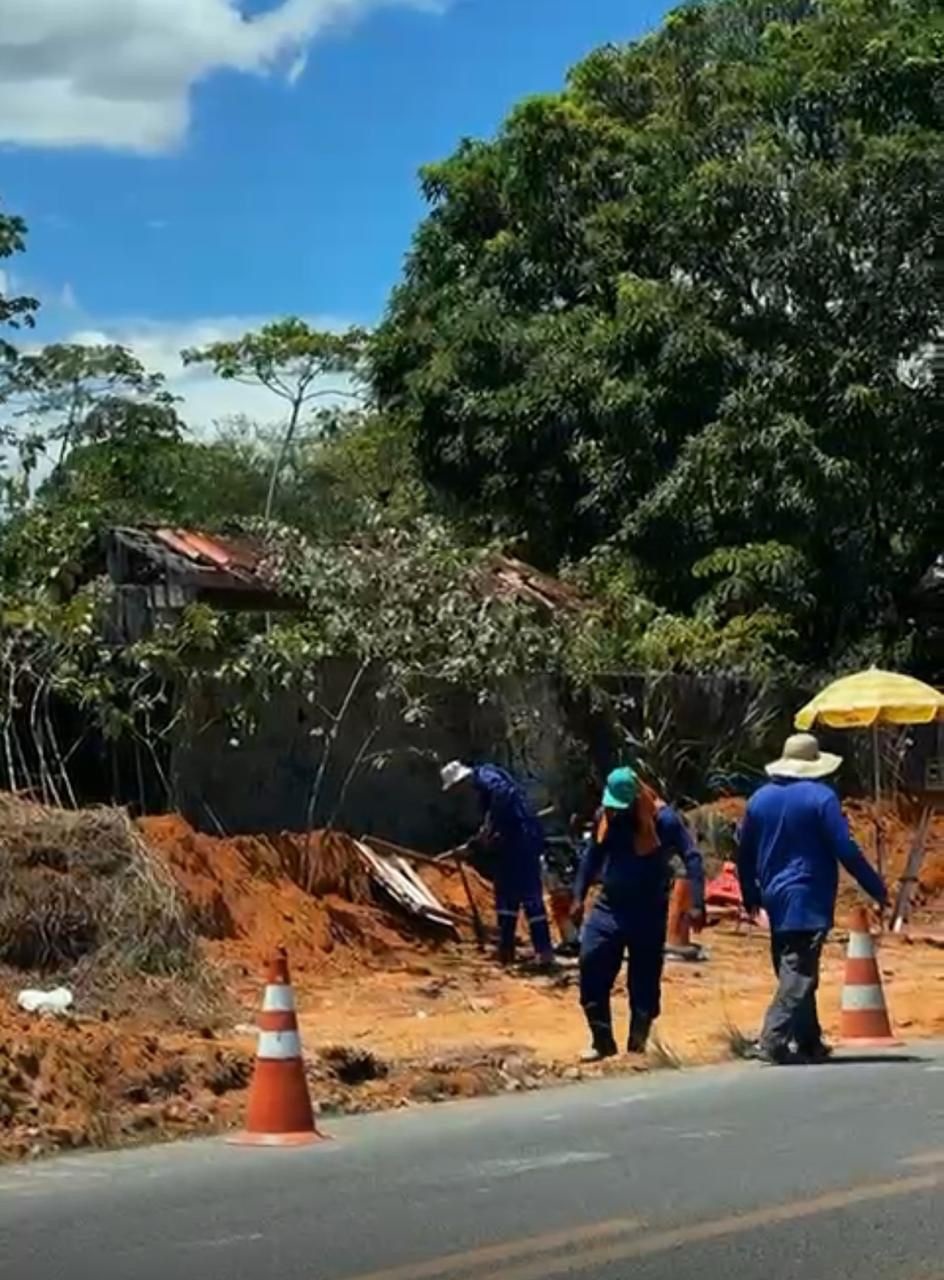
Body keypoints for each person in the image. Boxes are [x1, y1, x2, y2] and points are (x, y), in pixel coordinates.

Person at [736, 733, 888, 1065]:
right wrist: (876, 887)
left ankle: (808, 1041)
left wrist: (750, 896)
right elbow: (845, 848)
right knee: (799, 972)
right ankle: (772, 1039)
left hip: (774, 897)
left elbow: (743, 853)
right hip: (808, 895)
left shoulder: (759, 800)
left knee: (793, 966)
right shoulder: (822, 798)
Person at [571, 765, 705, 1060]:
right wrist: (578, 896)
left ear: (635, 801)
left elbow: (692, 857)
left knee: (643, 978)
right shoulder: (605, 817)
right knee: (591, 962)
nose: (616, 812)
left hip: (648, 908)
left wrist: (697, 902)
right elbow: (592, 856)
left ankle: (637, 1044)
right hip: (609, 905)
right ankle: (601, 1041)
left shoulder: (664, 820)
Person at [441, 760, 555, 968]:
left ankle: (544, 951)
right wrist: (483, 838)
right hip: (508, 842)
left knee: (530, 895)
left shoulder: (485, 776)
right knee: (505, 894)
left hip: (522, 837)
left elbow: (503, 794)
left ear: (463, 780)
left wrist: (489, 828)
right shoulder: (482, 786)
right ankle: (506, 948)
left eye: (457, 787)